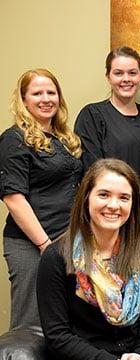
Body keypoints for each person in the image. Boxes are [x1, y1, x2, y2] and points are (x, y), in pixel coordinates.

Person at [36, 159, 140, 360]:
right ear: (86, 198)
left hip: (134, 357)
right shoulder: (57, 256)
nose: (114, 205)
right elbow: (57, 335)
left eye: (124, 198)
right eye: (104, 194)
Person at [0, 69, 82, 329]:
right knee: (30, 321)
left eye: (51, 92)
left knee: (63, 318)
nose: (46, 99)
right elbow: (13, 198)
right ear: (24, 100)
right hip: (31, 244)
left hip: (65, 240)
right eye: (37, 93)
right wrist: (45, 245)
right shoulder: (14, 139)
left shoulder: (63, 139)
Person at [74, 46, 140, 226]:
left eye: (132, 73)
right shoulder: (93, 115)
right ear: (108, 76)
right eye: (118, 73)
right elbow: (92, 171)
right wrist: (112, 208)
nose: (126, 79)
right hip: (109, 214)